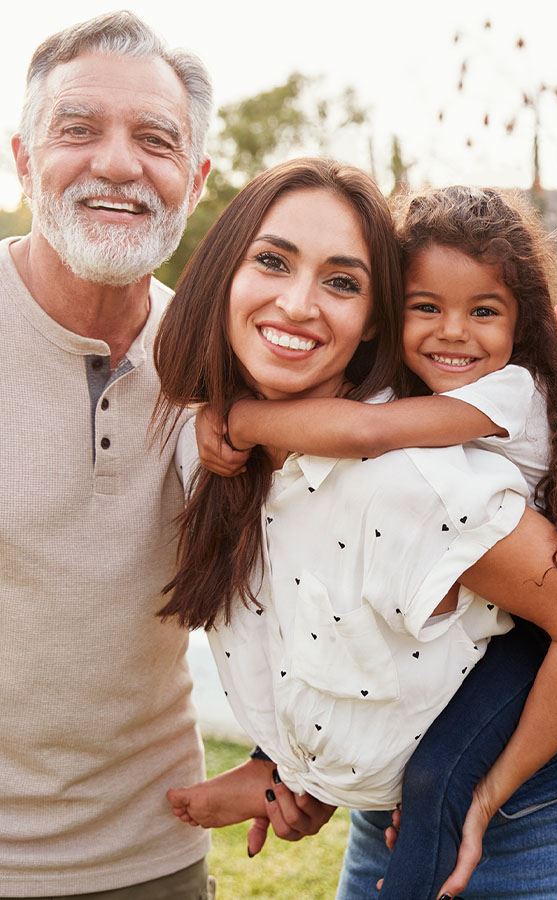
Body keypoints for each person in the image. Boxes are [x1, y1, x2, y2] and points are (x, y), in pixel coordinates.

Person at [159, 167, 557, 900]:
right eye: (271, 260)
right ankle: (287, 773)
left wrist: (239, 420)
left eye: (342, 282)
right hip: (381, 793)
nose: (297, 303)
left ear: (371, 318)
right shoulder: (202, 452)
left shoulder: (420, 471)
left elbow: (368, 434)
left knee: (437, 786)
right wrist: (309, 777)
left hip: (536, 807)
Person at [0, 13, 216, 898]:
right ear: (22, 160)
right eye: (79, 130)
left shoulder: (221, 361)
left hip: (154, 856)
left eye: (156, 140)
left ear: (195, 180)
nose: (119, 165)